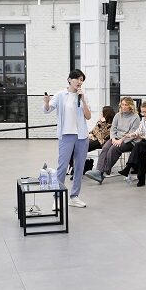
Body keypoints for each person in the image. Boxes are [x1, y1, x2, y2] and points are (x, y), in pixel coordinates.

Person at [42, 69, 92, 208]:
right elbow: (47, 110)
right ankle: (57, 197)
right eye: (77, 79)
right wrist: (46, 102)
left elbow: (88, 116)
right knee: (62, 167)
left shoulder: (83, 96)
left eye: (82, 80)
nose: (79, 82)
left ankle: (74, 196)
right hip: (66, 135)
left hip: (82, 136)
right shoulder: (60, 95)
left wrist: (83, 100)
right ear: (70, 79)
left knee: (79, 167)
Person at [85, 97, 140, 184]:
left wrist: (121, 140)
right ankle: (99, 171)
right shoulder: (118, 115)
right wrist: (113, 138)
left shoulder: (135, 117)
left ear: (131, 106)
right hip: (116, 138)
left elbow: (133, 133)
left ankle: (102, 172)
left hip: (130, 140)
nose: (124, 107)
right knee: (105, 147)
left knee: (114, 149)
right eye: (122, 104)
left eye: (126, 105)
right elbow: (113, 129)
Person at [68, 105, 115, 175]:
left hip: (100, 142)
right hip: (94, 139)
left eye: (102, 112)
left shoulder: (111, 125)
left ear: (106, 113)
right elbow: (94, 130)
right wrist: (89, 134)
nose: (101, 114)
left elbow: (103, 136)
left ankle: (77, 169)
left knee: (81, 148)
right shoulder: (100, 121)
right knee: (74, 146)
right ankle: (72, 166)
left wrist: (101, 124)